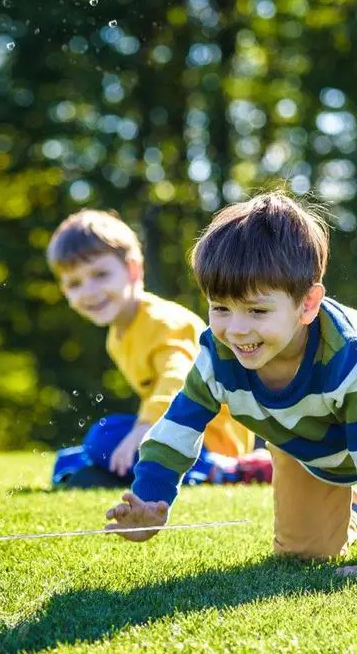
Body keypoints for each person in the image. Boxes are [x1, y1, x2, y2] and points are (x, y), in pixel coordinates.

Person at [105, 192, 357, 562]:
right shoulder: (218, 356)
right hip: (305, 450)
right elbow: (177, 427)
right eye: (220, 308)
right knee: (304, 556)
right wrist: (149, 498)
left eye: (257, 310)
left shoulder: (346, 358)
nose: (237, 330)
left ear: (307, 304)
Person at [47, 208, 266, 489]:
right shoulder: (117, 336)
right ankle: (116, 471)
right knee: (71, 458)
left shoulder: (164, 321)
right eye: (75, 283)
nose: (89, 291)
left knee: (103, 437)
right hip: (172, 431)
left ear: (132, 270)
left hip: (209, 437)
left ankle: (226, 471)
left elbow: (178, 381)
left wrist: (141, 430)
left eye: (100, 274)